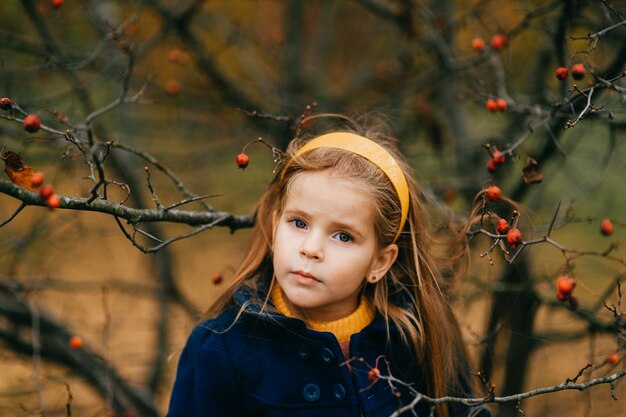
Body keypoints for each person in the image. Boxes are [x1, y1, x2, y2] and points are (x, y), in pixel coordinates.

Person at [166, 116, 491, 417]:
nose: (311, 249)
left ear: (380, 261)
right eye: (298, 223)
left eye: (343, 236)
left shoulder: (415, 339)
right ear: (276, 224)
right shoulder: (222, 346)